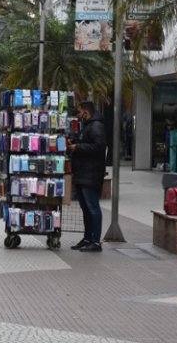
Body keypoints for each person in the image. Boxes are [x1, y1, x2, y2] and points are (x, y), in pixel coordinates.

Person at [68, 101, 107, 252]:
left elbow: (98, 147)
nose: (78, 115)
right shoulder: (89, 125)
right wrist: (76, 143)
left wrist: (77, 147)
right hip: (83, 172)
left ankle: (95, 241)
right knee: (86, 208)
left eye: (79, 112)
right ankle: (87, 238)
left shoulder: (96, 125)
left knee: (92, 207)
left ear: (86, 111)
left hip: (91, 173)